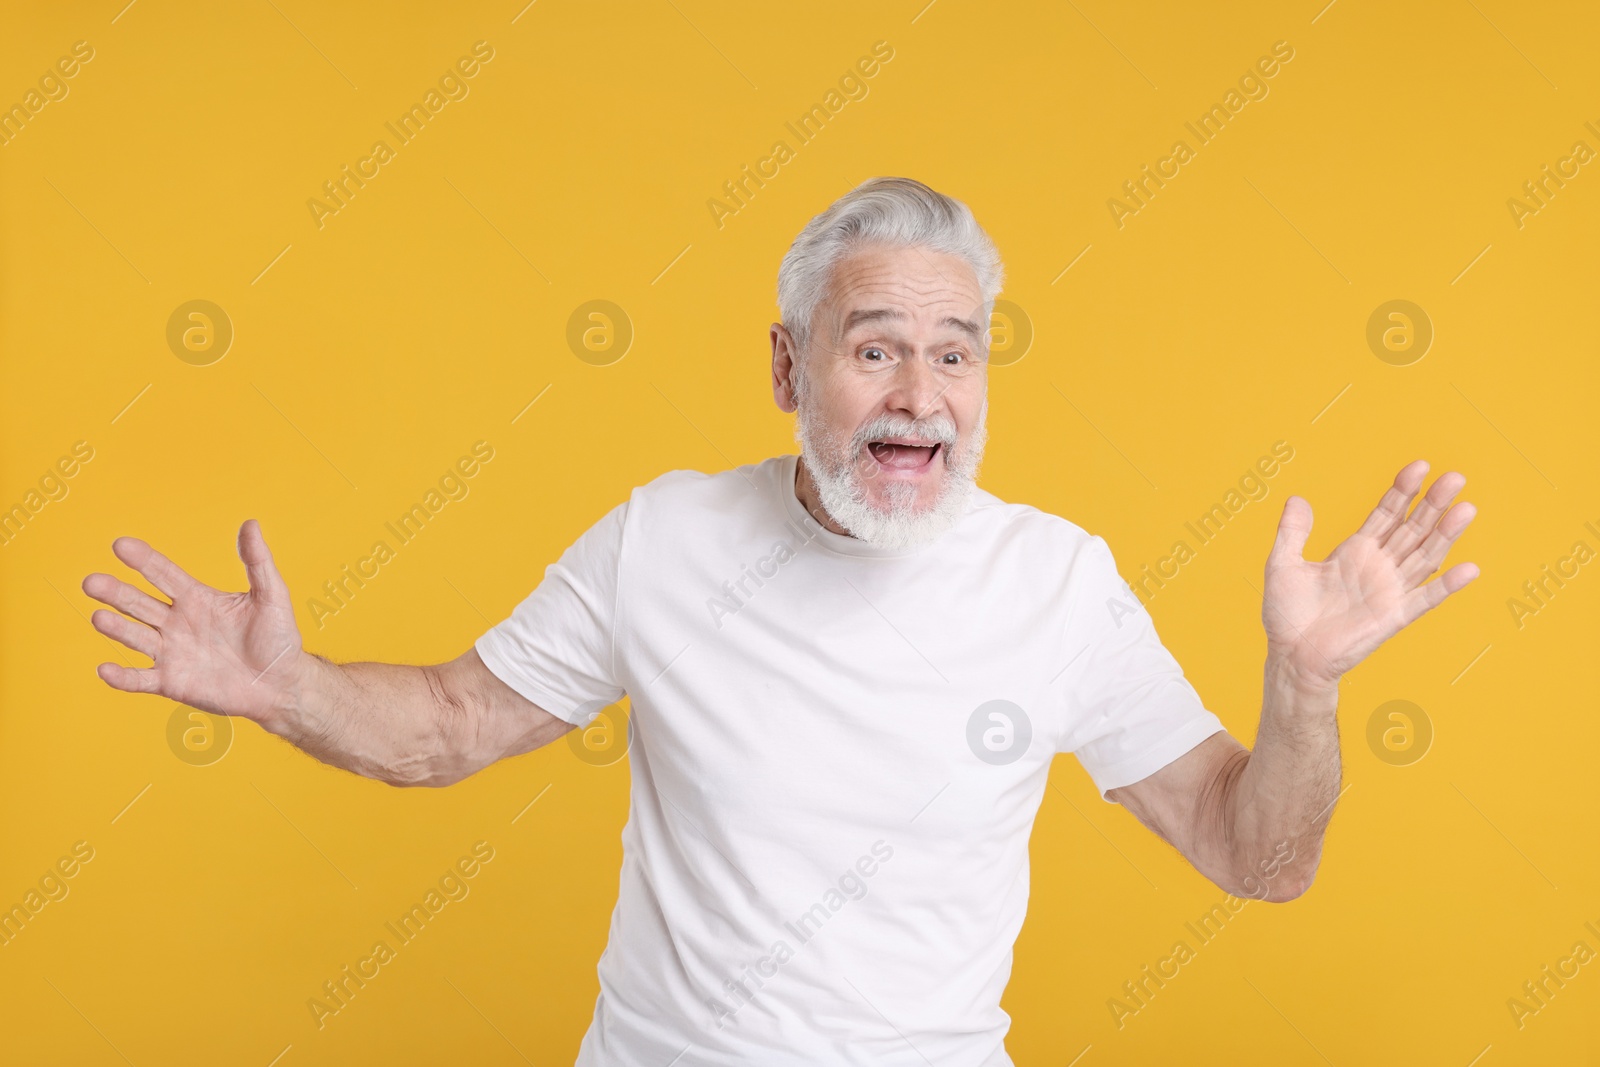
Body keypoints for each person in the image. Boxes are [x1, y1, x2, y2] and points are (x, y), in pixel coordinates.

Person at [82, 177, 1478, 1065]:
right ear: (786, 364)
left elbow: (1260, 859)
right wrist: (290, 689)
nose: (920, 396)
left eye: (955, 352)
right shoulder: (667, 539)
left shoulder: (1058, 583)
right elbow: (448, 726)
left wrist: (1302, 686)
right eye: (874, 349)